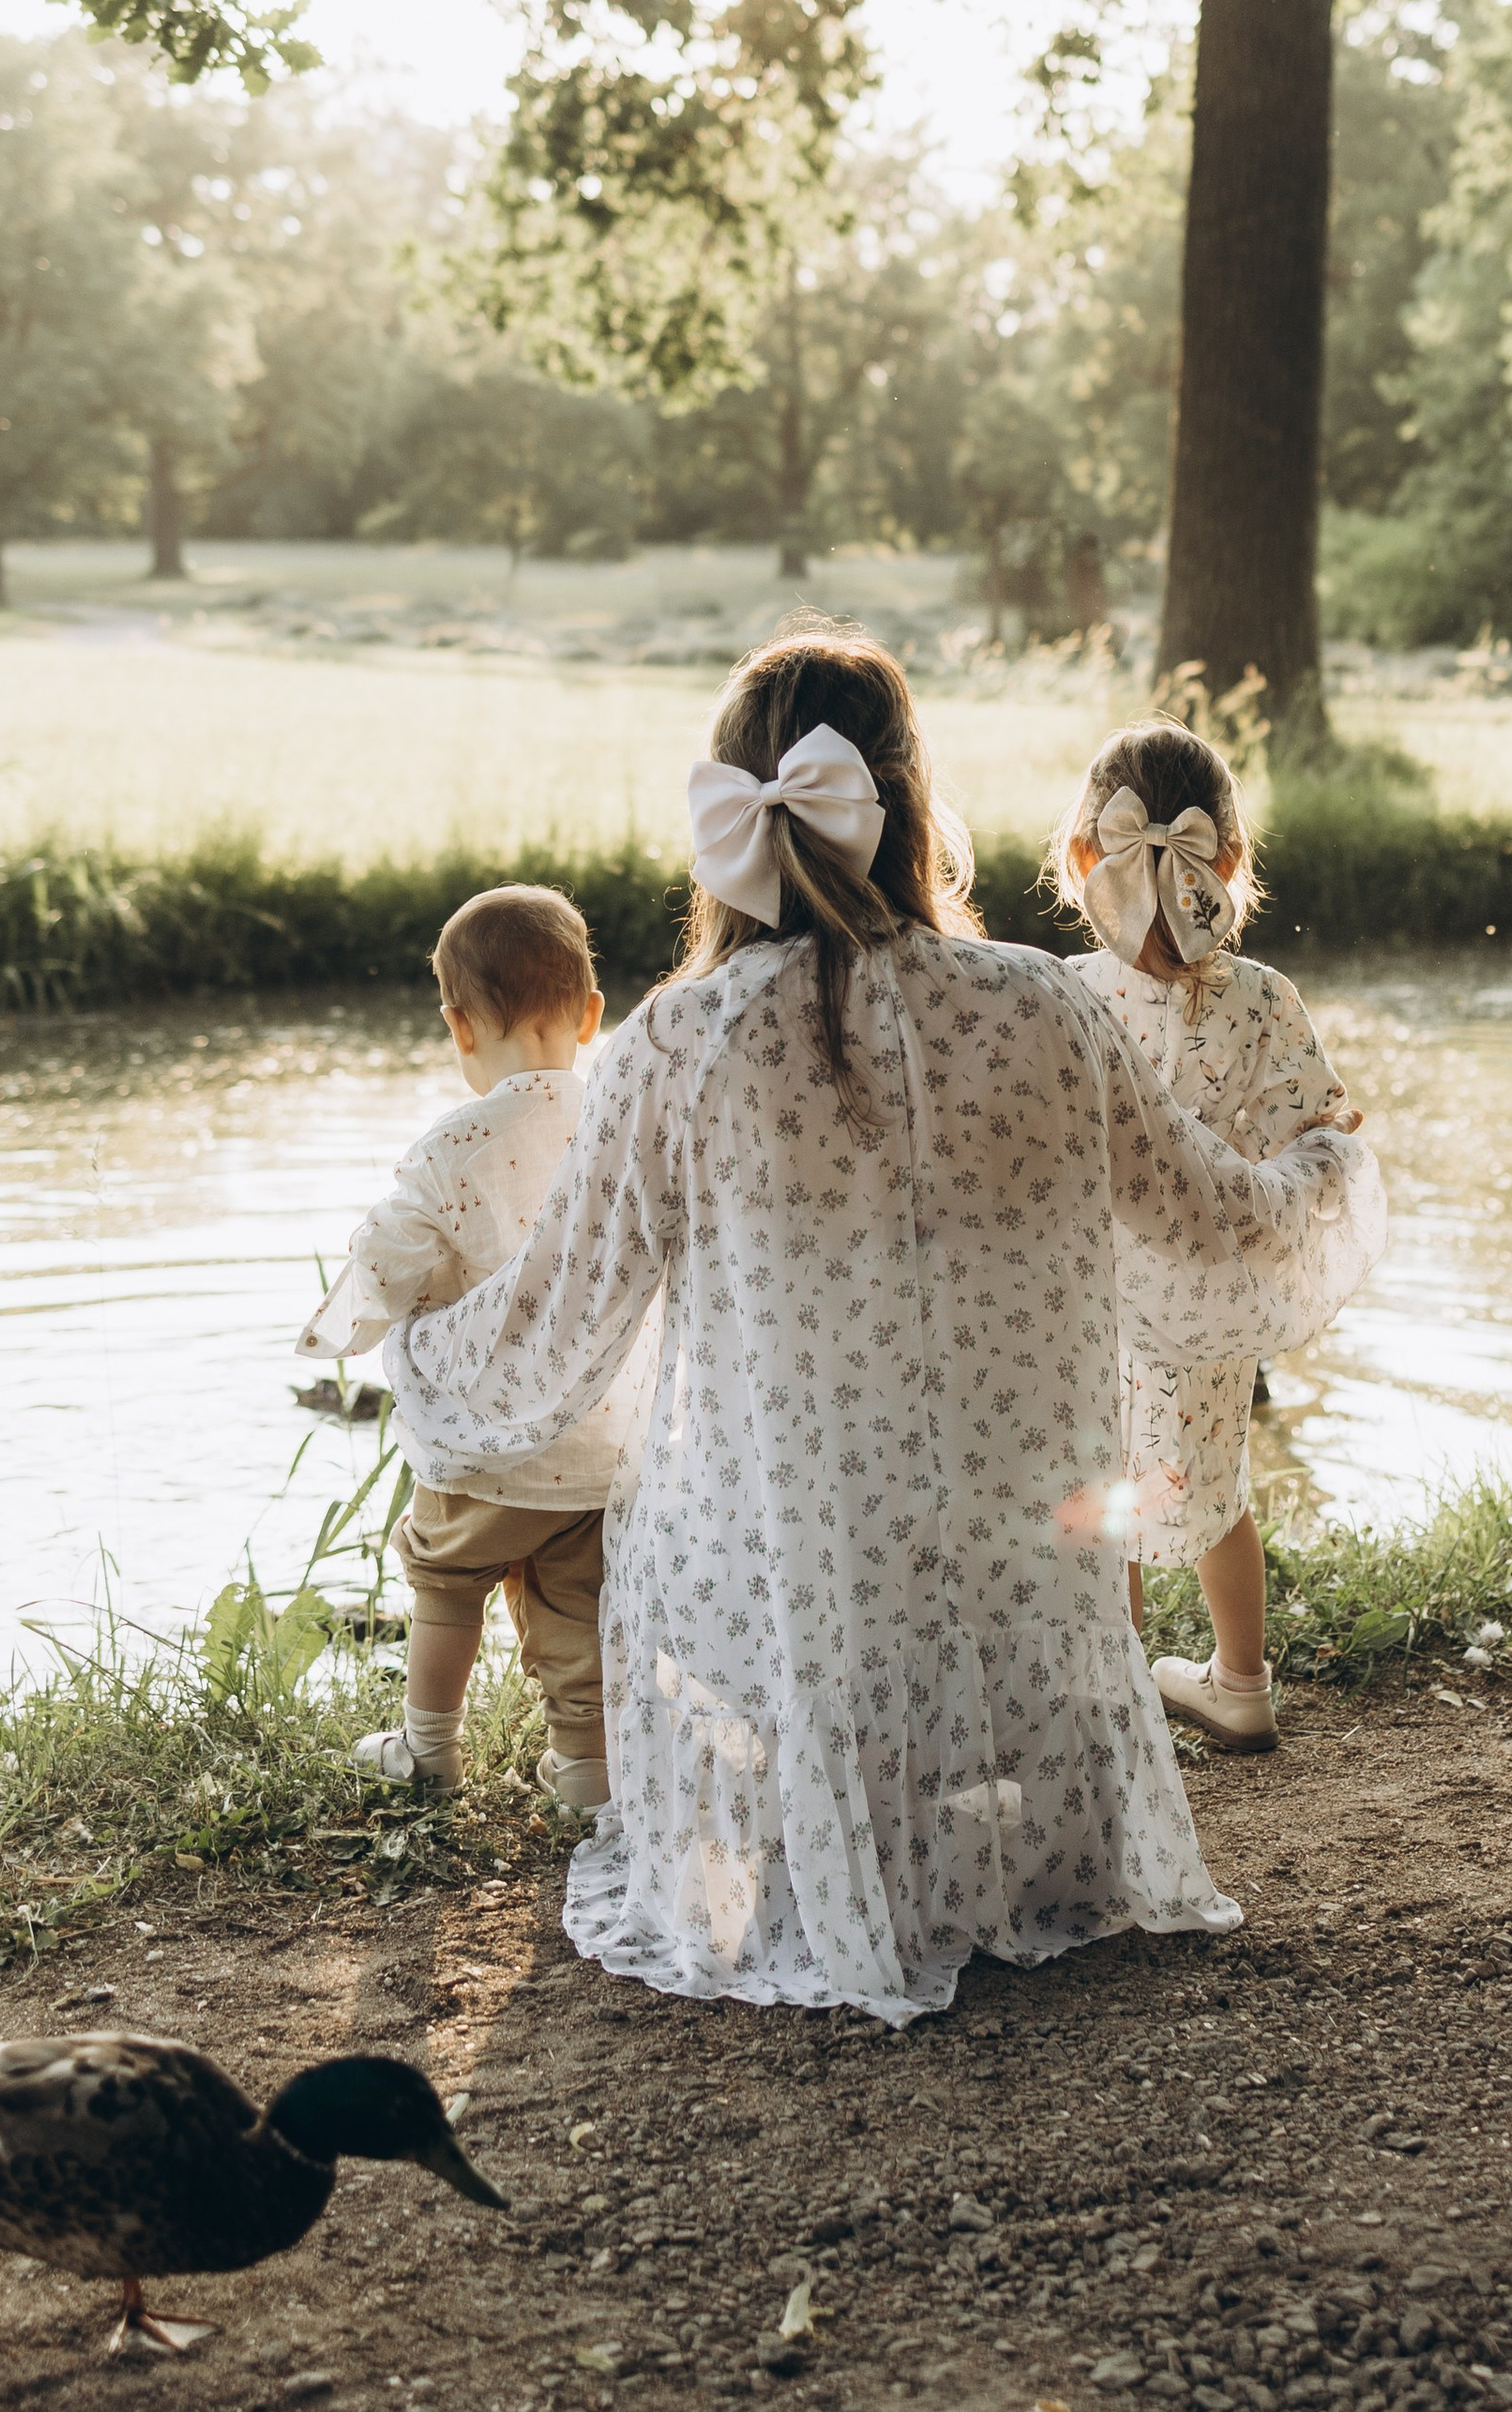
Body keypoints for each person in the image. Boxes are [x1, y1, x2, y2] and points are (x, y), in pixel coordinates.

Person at [381, 626, 1386, 2026]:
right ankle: (1023, 1830)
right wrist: (1325, 1173)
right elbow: (1215, 1218)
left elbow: (553, 1329)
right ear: (913, 803)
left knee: (721, 1520)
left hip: (792, 1587)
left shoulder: (676, 1042)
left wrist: (408, 1329)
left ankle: (833, 1833)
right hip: (1020, 1573)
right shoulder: (1043, 1006)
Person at [1052, 719, 1351, 1756]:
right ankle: (1240, 1683)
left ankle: (1120, 1700)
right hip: (1211, 1299)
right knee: (1215, 1486)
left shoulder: (1067, 995)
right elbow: (1313, 1139)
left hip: (1088, 1298)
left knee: (1100, 1494)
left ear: (1081, 862)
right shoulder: (1265, 996)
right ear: (1227, 861)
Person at [299, 883, 634, 1808]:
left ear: (458, 1027)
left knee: (443, 1574)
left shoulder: (454, 1145)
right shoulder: (617, 1123)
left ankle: (428, 1749)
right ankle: (587, 1774)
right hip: (599, 1445)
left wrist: (349, 1324)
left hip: (485, 1449)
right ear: (593, 1012)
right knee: (578, 1605)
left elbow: (391, 1257)